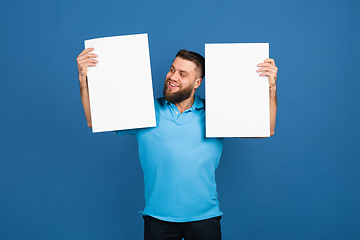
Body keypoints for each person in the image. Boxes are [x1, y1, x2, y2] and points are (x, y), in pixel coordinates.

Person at [77, 48, 278, 240]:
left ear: (197, 82)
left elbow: (266, 129)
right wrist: (84, 80)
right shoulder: (145, 111)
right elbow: (93, 119)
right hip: (157, 219)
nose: (173, 77)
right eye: (172, 69)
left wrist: (270, 88)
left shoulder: (216, 113)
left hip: (205, 219)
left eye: (182, 74)